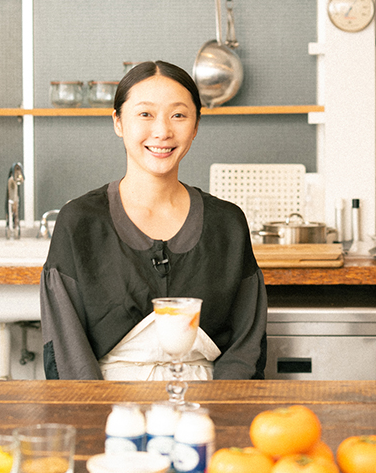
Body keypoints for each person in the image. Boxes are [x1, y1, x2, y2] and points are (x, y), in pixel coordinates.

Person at [40, 60, 267, 380]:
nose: (162, 132)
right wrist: (96, 407)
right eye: (145, 114)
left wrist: (219, 405)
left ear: (196, 125)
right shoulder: (80, 222)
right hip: (108, 401)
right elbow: (67, 352)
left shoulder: (227, 224)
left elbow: (247, 345)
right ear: (118, 122)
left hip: (207, 400)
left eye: (179, 115)